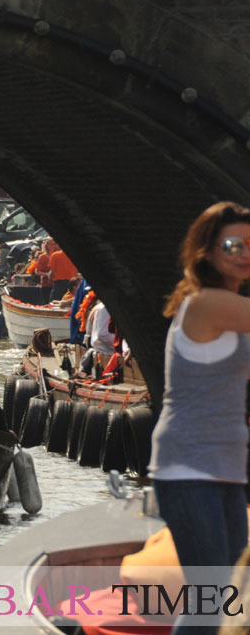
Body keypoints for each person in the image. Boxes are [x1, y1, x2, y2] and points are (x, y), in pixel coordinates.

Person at [149, 202, 250, 633]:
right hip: (188, 467)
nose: (245, 252)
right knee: (212, 600)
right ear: (205, 252)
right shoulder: (209, 303)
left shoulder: (230, 308)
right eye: (234, 244)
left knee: (226, 598)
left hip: (225, 468)